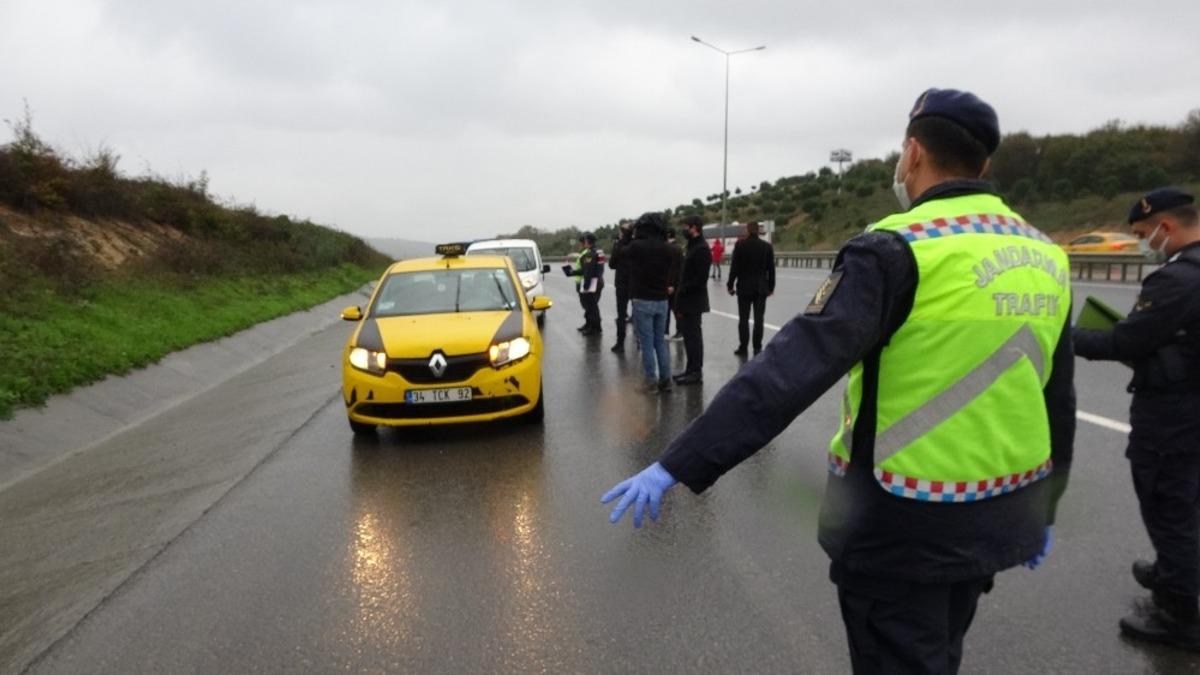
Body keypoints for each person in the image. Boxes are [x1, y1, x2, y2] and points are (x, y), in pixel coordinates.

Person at [601, 88, 1076, 674]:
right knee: (939, 653)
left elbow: (787, 374)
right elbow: (1057, 396)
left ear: (914, 153)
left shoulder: (899, 249)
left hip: (901, 525)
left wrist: (678, 462)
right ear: (985, 164)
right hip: (997, 514)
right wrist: (1043, 505)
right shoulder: (1044, 254)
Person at [1073, 187, 1200, 651]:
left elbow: (1126, 342)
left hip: (1173, 416)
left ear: (1166, 228)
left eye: (1144, 234)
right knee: (1186, 501)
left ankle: (1181, 614)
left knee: (1168, 509)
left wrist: (1065, 337)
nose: (1144, 243)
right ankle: (1172, 573)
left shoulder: (1177, 279)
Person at [626, 212, 675, 392]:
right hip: (662, 300)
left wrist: (626, 235)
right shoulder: (667, 248)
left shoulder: (636, 246)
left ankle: (651, 381)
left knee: (646, 343)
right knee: (659, 341)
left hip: (642, 299)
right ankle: (666, 379)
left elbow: (619, 258)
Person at [672, 215, 712, 385]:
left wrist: (682, 289)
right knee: (689, 337)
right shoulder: (692, 246)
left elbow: (700, 278)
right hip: (687, 300)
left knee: (694, 337)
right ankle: (690, 369)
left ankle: (696, 372)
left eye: (686, 226)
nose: (684, 230)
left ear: (695, 227)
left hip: (693, 301)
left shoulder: (701, 248)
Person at [726, 221, 775, 355]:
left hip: (744, 288)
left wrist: (730, 285)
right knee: (759, 319)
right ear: (758, 231)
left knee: (743, 319)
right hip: (761, 288)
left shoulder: (740, 245)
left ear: (747, 230)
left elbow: (734, 267)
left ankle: (743, 347)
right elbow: (771, 269)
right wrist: (771, 287)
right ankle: (757, 347)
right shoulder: (767, 247)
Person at [565, 233, 604, 335]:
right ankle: (593, 326)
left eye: (585, 241)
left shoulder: (590, 254)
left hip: (592, 283)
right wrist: (574, 272)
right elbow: (587, 269)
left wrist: (586, 285)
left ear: (587, 242)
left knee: (591, 307)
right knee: (593, 307)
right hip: (598, 281)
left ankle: (594, 328)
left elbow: (588, 272)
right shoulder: (599, 252)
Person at [609, 220, 634, 353]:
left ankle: (620, 343)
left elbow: (612, 264)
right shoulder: (637, 244)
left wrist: (616, 245)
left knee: (621, 314)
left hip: (622, 283)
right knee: (638, 313)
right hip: (636, 282)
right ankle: (639, 341)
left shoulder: (619, 246)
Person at [665, 228, 684, 340]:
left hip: (672, 284)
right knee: (674, 308)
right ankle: (678, 331)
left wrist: (670, 284)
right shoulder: (678, 247)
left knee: (671, 308)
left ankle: (672, 331)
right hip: (677, 283)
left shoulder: (671, 248)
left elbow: (673, 268)